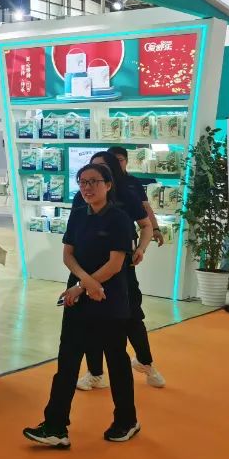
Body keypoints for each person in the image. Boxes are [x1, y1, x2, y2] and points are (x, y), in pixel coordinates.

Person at [23, 163, 139, 449]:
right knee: (67, 362)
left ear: (108, 185)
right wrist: (84, 284)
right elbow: (68, 255)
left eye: (94, 182)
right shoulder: (77, 215)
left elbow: (115, 264)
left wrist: (83, 285)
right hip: (78, 297)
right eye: (83, 182)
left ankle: (127, 420)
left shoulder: (120, 219)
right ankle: (55, 426)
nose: (87, 187)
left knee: (116, 360)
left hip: (109, 300)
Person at [76, 151, 164, 391]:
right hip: (89, 266)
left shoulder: (127, 193)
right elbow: (73, 236)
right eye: (88, 176)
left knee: (131, 316)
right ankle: (95, 372)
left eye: (101, 170)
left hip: (122, 266)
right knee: (91, 321)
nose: (91, 181)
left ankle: (145, 362)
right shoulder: (81, 198)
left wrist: (141, 248)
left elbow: (145, 225)